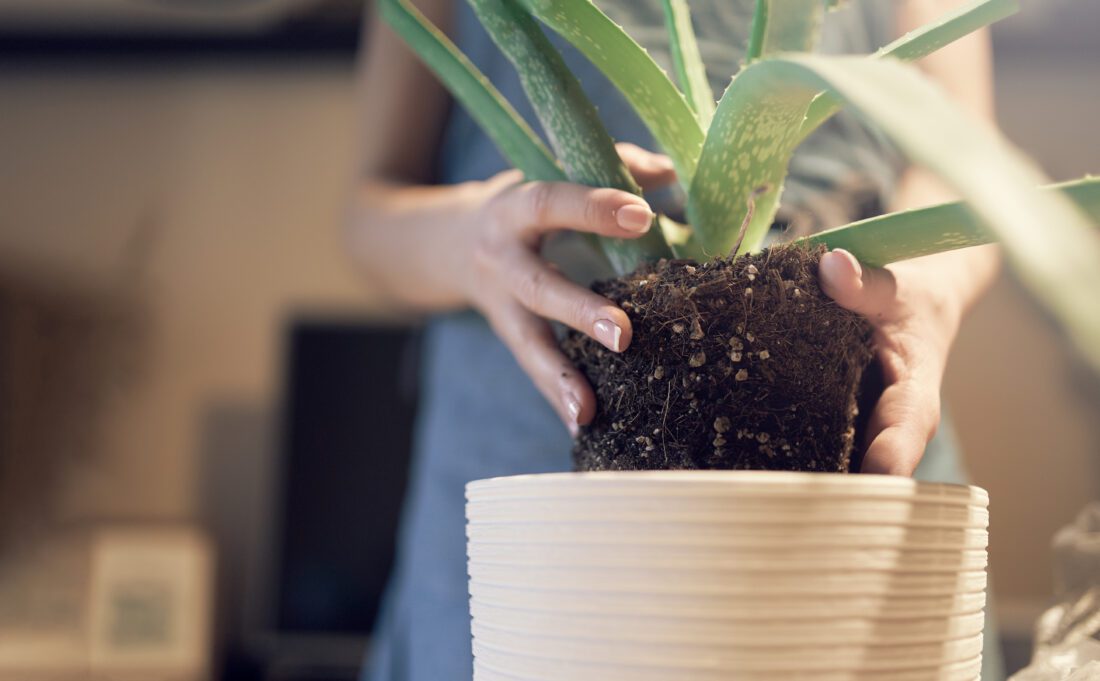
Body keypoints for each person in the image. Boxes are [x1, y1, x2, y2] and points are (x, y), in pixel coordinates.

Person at [348, 1, 1004, 679]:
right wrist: (473, 238)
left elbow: (967, 157)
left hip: (855, 397)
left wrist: (931, 283)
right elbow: (367, 210)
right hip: (528, 458)